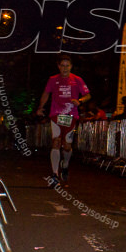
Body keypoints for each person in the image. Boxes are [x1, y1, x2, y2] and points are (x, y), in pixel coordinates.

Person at [35, 54, 91, 185]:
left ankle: (65, 164)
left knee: (67, 146)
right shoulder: (53, 79)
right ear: (58, 66)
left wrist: (80, 101)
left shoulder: (77, 80)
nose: (65, 68)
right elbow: (46, 93)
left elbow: (87, 95)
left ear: (71, 66)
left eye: (67, 66)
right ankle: (54, 174)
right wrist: (40, 107)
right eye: (62, 66)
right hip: (56, 114)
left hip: (71, 116)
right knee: (56, 142)